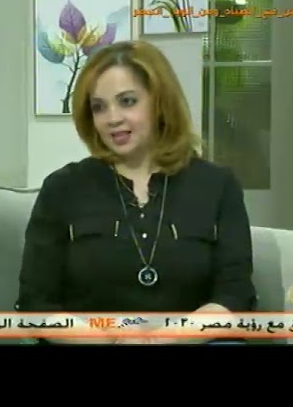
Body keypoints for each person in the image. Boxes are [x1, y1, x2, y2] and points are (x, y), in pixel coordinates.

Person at [16, 40, 256, 344]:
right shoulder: (63, 188)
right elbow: (36, 305)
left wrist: (160, 340)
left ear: (160, 102)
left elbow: (235, 297)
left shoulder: (217, 186)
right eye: (99, 107)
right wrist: (108, 341)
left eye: (127, 101)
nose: (112, 118)